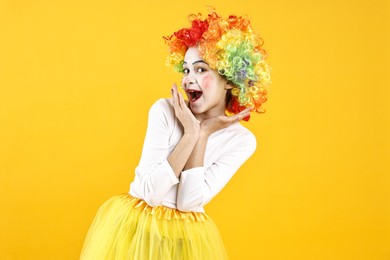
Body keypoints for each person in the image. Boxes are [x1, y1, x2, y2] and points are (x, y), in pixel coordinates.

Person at [80, 8, 271, 259]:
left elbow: (188, 202)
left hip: (185, 243)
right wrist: (190, 133)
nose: (189, 79)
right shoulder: (165, 111)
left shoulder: (242, 141)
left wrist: (202, 135)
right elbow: (151, 193)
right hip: (135, 234)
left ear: (229, 80)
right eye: (186, 70)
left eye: (201, 69)